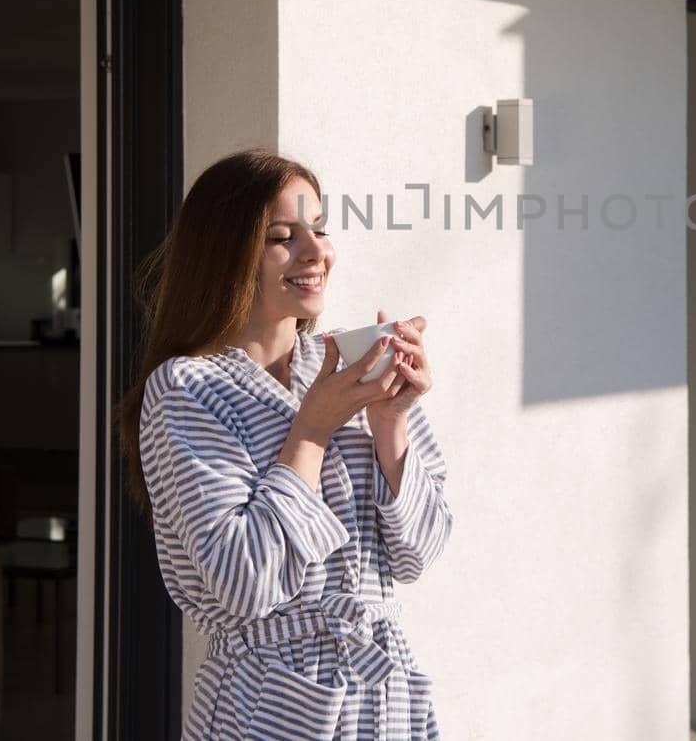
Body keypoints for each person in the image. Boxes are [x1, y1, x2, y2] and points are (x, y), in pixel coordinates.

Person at [115, 149, 453, 740]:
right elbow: (243, 584)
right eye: (282, 236)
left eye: (319, 229)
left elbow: (416, 555)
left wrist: (392, 420)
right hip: (272, 702)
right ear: (225, 250)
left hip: (383, 695)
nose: (316, 251)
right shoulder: (188, 389)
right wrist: (313, 430)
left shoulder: (345, 367)